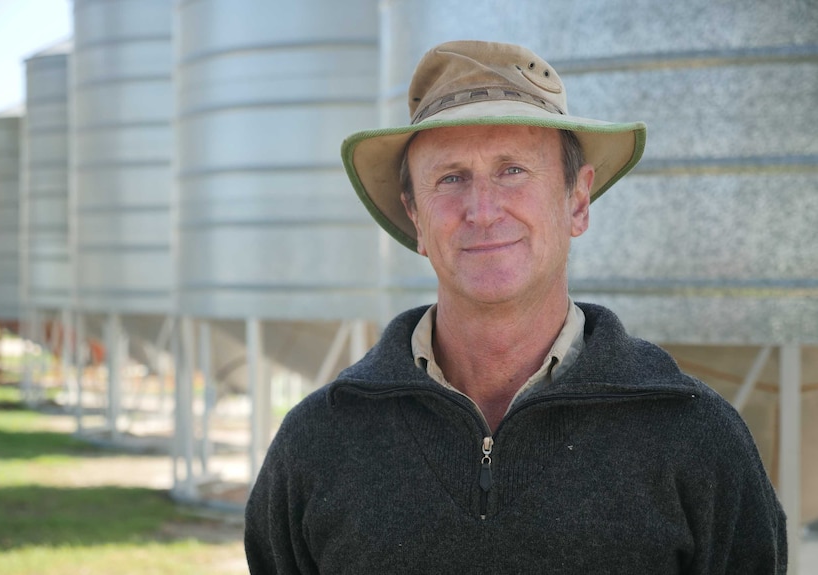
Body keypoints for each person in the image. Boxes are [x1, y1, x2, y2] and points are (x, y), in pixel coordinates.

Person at [244, 40, 787, 573]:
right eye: (451, 178)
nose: (482, 211)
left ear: (576, 201)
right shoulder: (318, 440)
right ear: (416, 220)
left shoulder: (695, 435)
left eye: (513, 170)